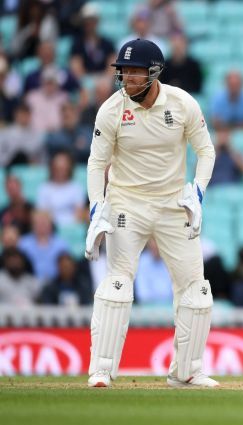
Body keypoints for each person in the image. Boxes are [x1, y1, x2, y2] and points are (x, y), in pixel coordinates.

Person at [83, 39, 218, 388]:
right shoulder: (111, 110)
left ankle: (186, 371)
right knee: (117, 284)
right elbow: (96, 163)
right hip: (128, 203)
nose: (127, 78)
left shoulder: (182, 103)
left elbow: (206, 152)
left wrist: (197, 193)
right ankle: (101, 369)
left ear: (154, 72)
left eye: (134, 71)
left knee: (196, 290)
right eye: (123, 71)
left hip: (174, 203)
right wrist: (97, 207)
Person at [36, 151, 86, 227]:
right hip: (50, 229)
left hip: (72, 228)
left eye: (63, 168)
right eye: (58, 168)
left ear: (69, 168)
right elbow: (42, 213)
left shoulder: (76, 188)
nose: (61, 171)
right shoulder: (44, 188)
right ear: (52, 168)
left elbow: (79, 213)